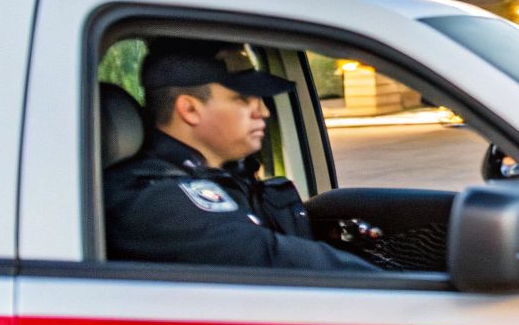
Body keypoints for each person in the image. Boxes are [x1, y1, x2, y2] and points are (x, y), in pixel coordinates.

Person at [103, 38, 379, 271]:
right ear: (189, 110)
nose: (264, 112)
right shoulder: (153, 199)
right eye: (244, 99)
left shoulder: (230, 174)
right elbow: (271, 258)